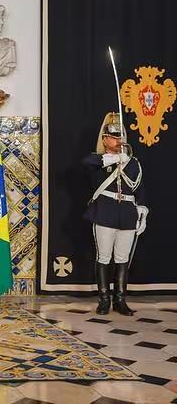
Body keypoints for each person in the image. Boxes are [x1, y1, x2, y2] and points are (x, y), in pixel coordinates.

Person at [83, 112, 147, 316]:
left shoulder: (132, 162)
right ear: (104, 138)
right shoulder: (98, 160)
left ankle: (120, 300)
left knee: (122, 258)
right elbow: (88, 164)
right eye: (113, 136)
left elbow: (140, 188)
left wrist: (142, 210)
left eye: (120, 136)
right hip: (105, 212)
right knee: (104, 256)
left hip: (127, 213)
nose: (118, 140)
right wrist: (113, 159)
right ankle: (104, 300)